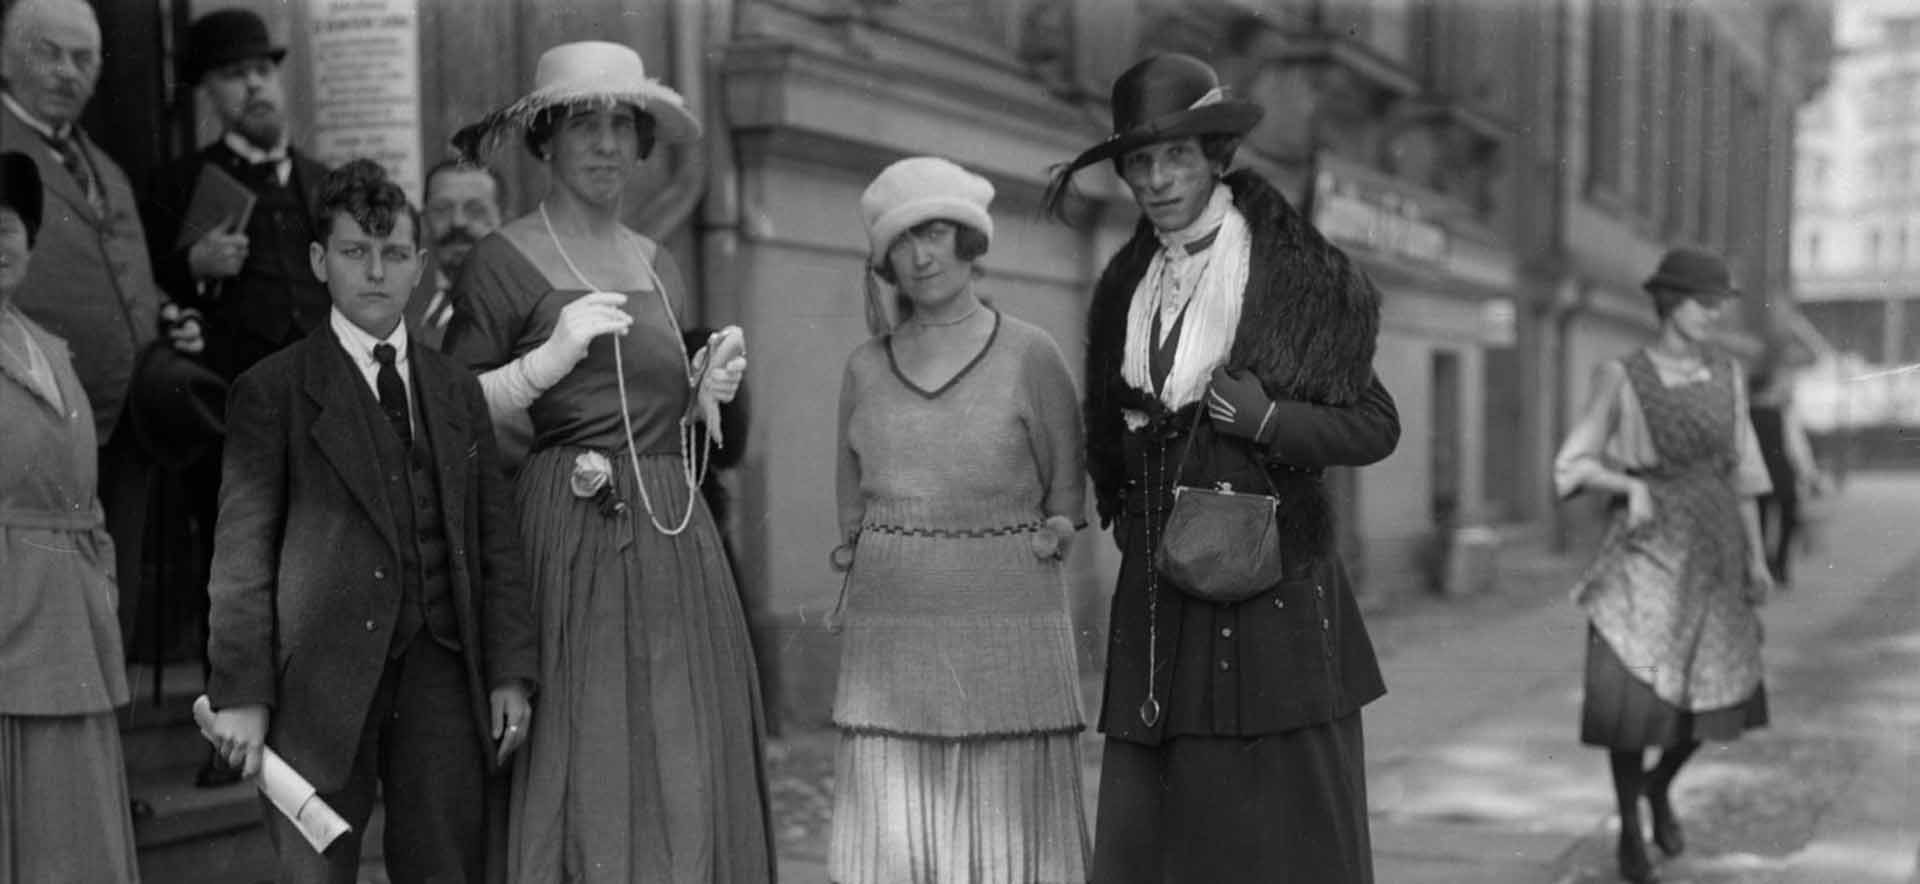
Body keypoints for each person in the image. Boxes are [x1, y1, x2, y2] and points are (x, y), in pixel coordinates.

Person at [1045, 54, 1400, 883]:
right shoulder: (1129, 280)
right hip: (1162, 579)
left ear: (1215, 156)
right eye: (1140, 161)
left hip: (1268, 579)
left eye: (1177, 156)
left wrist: (1270, 421)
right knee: (1168, 825)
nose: (1158, 179)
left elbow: (1376, 424)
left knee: (1275, 828)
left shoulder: (1289, 275)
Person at [443, 41, 772, 883]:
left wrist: (700, 397)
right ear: (545, 140)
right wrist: (537, 367)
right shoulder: (501, 260)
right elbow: (446, 412)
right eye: (582, 123)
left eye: (622, 124)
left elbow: (647, 406)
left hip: (674, 540)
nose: (605, 143)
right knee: (590, 749)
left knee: (679, 748)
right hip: (568, 538)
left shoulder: (659, 263)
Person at [201, 159, 538, 884]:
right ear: (319, 261)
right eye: (355, 251)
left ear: (420, 265)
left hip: (440, 671)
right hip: (318, 686)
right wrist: (242, 694)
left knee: (446, 866)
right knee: (318, 871)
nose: (376, 272)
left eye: (393, 253)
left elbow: (496, 544)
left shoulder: (455, 391)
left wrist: (509, 672)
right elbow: (241, 559)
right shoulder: (273, 390)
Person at [829, 156, 1090, 882]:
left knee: (1012, 831)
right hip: (893, 635)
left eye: (936, 234)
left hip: (1009, 628)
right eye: (903, 242)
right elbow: (850, 504)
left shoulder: (1031, 353)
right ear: (885, 261)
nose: (921, 257)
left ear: (969, 241)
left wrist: (1055, 528)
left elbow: (1066, 494)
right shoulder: (864, 367)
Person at [1554, 246, 1774, 883]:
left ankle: (1658, 787)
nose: (1713, 313)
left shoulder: (1728, 376)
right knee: (1635, 704)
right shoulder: (1621, 375)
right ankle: (1630, 825)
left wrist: (1758, 560)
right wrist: (1630, 485)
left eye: (1719, 303)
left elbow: (1745, 475)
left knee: (1717, 695)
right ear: (1670, 302)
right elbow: (1571, 464)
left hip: (1717, 555)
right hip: (1644, 559)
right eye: (1704, 302)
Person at [1, 0, 192, 644]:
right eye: (48, 52)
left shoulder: (103, 168)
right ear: (7, 59)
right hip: (26, 429)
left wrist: (166, 316)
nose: (67, 70)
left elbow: (121, 274)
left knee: (111, 614)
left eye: (82, 57)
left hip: (120, 426)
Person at [0, 150, 141, 884]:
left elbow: (82, 491)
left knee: (75, 832)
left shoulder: (47, 346)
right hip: (7, 629)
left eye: (8, 226)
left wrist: (103, 581)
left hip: (71, 620)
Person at [146, 7, 331, 383]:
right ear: (208, 92)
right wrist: (192, 265)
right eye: (234, 74)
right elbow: (146, 280)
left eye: (263, 70)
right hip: (235, 384)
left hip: (324, 377)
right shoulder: (179, 182)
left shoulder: (324, 180)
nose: (254, 85)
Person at [413, 158, 506, 350]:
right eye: (442, 209)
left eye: (476, 210)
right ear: (424, 221)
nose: (458, 222)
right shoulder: (396, 307)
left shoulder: (530, 309)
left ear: (504, 220)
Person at [1747, 363, 1826, 589]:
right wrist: (1810, 475)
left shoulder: (1744, 412)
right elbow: (1797, 448)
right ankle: (1781, 566)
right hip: (1783, 476)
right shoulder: (1784, 413)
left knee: (1760, 522)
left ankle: (1763, 564)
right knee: (1788, 521)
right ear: (1771, 386)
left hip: (1756, 477)